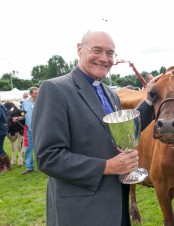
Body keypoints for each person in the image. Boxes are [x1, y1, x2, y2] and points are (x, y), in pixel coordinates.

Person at [32, 29, 159, 226]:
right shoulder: (55, 89)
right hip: (81, 212)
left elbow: (122, 132)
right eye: (97, 50)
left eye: (110, 53)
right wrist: (107, 166)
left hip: (115, 206)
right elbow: (48, 157)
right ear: (79, 49)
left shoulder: (110, 93)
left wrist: (150, 100)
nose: (104, 58)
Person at [13, 87, 38, 175]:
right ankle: (29, 167)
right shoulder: (25, 103)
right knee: (27, 149)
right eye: (35, 93)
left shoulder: (41, 101)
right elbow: (23, 115)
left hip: (39, 129)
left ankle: (42, 167)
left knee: (39, 148)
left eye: (37, 93)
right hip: (28, 129)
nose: (37, 94)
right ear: (31, 94)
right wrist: (18, 118)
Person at [0, 101, 11, 172]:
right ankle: (1, 166)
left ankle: (7, 166)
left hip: (1, 130)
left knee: (0, 149)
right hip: (2, 129)